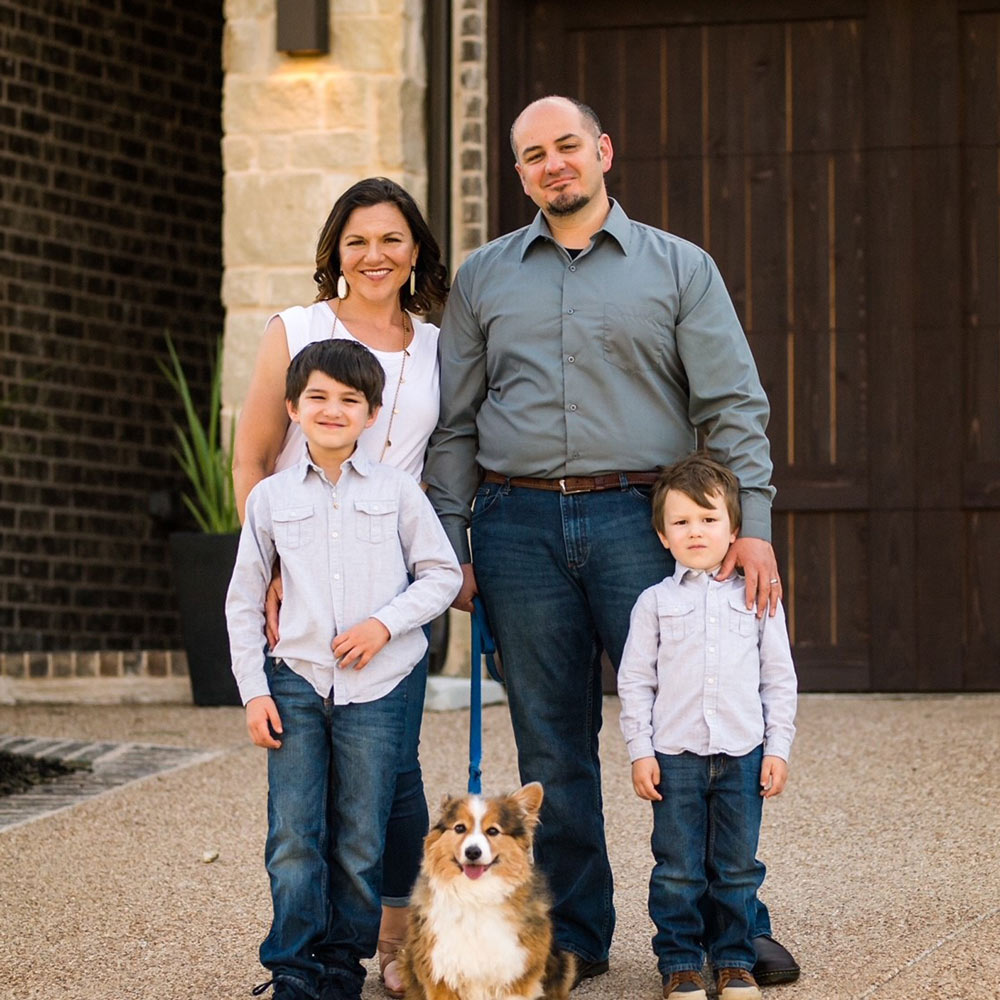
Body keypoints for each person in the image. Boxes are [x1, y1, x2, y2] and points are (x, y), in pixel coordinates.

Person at [423, 95, 799, 986]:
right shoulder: (483, 278)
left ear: (602, 151)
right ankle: (580, 933)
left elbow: (732, 407)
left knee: (697, 733)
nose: (552, 165)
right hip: (516, 529)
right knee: (552, 747)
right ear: (519, 174)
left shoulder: (679, 269)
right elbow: (455, 426)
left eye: (566, 147)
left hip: (646, 523)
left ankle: (729, 928)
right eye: (532, 156)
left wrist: (750, 529)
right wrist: (451, 541)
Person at [231, 177, 449, 997]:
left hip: (392, 587)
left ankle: (379, 943)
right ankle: (316, 959)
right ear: (335, 250)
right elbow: (252, 456)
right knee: (314, 803)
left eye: (391, 239)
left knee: (389, 782)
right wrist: (275, 568)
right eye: (357, 240)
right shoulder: (298, 330)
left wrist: (446, 563)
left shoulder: (436, 344)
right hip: (304, 575)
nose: (374, 256)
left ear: (416, 249)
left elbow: (447, 451)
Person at [617, 453, 797, 1000]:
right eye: (681, 522)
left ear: (734, 529)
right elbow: (636, 683)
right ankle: (679, 962)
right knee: (677, 867)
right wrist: (640, 751)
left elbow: (778, 681)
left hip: (743, 753)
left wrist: (778, 748)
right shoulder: (654, 603)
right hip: (675, 757)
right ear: (662, 534)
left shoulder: (758, 598)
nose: (696, 531)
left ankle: (735, 960)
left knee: (738, 865)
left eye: (709, 518)